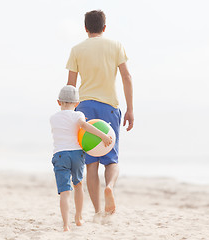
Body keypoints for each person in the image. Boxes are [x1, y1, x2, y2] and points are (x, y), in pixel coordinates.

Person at [65, 10, 134, 220]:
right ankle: (110, 187)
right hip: (109, 107)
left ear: (85, 28)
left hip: (85, 107)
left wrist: (70, 114)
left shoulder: (77, 49)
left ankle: (97, 210)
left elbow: (70, 86)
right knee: (111, 160)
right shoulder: (116, 46)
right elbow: (126, 77)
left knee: (91, 164)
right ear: (105, 27)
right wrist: (130, 109)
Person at [50, 85, 113, 231]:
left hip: (60, 155)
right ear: (77, 104)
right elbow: (84, 126)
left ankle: (65, 225)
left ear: (59, 102)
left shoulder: (53, 118)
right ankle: (78, 218)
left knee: (65, 191)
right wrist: (103, 136)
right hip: (77, 154)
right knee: (78, 186)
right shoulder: (78, 115)